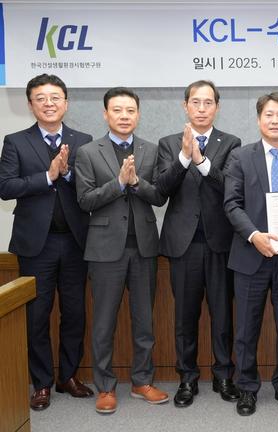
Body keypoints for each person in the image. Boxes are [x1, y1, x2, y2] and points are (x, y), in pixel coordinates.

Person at [0, 74, 93, 410]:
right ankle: (41, 383)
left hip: (75, 242)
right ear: (31, 105)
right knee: (37, 316)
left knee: (75, 313)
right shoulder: (15, 141)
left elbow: (91, 187)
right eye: (41, 98)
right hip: (35, 245)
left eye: (55, 97)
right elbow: (6, 187)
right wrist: (48, 176)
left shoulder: (84, 141)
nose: (49, 103)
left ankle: (68, 376)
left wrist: (67, 173)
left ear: (66, 103)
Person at [75, 87, 168, 414]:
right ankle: (105, 387)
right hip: (104, 250)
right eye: (117, 110)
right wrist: (118, 183)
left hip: (143, 247)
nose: (124, 116)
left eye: (130, 110)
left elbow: (159, 196)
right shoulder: (87, 152)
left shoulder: (151, 150)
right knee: (103, 323)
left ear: (138, 115)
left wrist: (135, 182)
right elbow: (84, 200)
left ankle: (142, 381)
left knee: (144, 322)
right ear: (106, 114)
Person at [224, 92, 278, 416]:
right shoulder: (240, 157)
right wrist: (254, 235)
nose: (275, 121)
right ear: (259, 119)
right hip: (250, 256)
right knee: (246, 329)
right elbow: (231, 204)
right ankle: (247, 389)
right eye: (269, 115)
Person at [157, 80, 241, 408]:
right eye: (196, 102)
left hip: (220, 242)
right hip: (183, 244)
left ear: (217, 107)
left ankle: (224, 375)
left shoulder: (231, 143)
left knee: (222, 315)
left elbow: (229, 186)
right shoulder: (168, 144)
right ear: (185, 106)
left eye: (208, 103)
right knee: (185, 317)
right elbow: (162, 189)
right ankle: (187, 378)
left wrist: (202, 160)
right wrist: (183, 157)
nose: (202, 108)